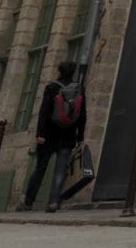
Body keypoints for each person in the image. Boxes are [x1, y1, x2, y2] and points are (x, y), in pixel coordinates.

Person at [20, 60, 86, 212]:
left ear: (59, 71)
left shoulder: (51, 88)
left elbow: (44, 112)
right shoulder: (79, 89)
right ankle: (54, 202)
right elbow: (82, 115)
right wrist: (80, 135)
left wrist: (40, 134)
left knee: (40, 169)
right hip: (68, 134)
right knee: (60, 171)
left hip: (49, 134)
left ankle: (28, 202)